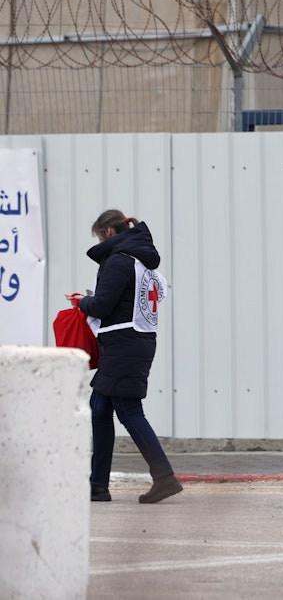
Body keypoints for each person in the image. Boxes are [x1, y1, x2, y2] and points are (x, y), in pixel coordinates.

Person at [71, 210, 182, 504]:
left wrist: (82, 302)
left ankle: (164, 477)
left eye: (98, 237)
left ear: (108, 233)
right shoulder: (143, 263)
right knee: (99, 406)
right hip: (136, 342)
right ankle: (97, 485)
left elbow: (104, 305)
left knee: (130, 412)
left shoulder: (119, 260)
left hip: (123, 345)